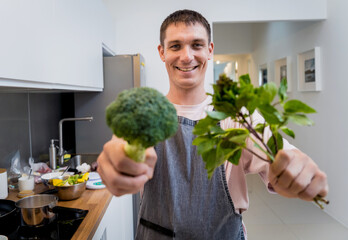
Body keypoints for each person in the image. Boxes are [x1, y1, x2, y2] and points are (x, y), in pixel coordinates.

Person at [97, 9, 328, 239]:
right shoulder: (145, 116)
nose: (186, 56)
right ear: (162, 52)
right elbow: (123, 145)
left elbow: (275, 149)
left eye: (197, 45)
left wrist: (294, 164)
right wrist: (117, 162)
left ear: (210, 50)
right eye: (175, 46)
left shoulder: (236, 116)